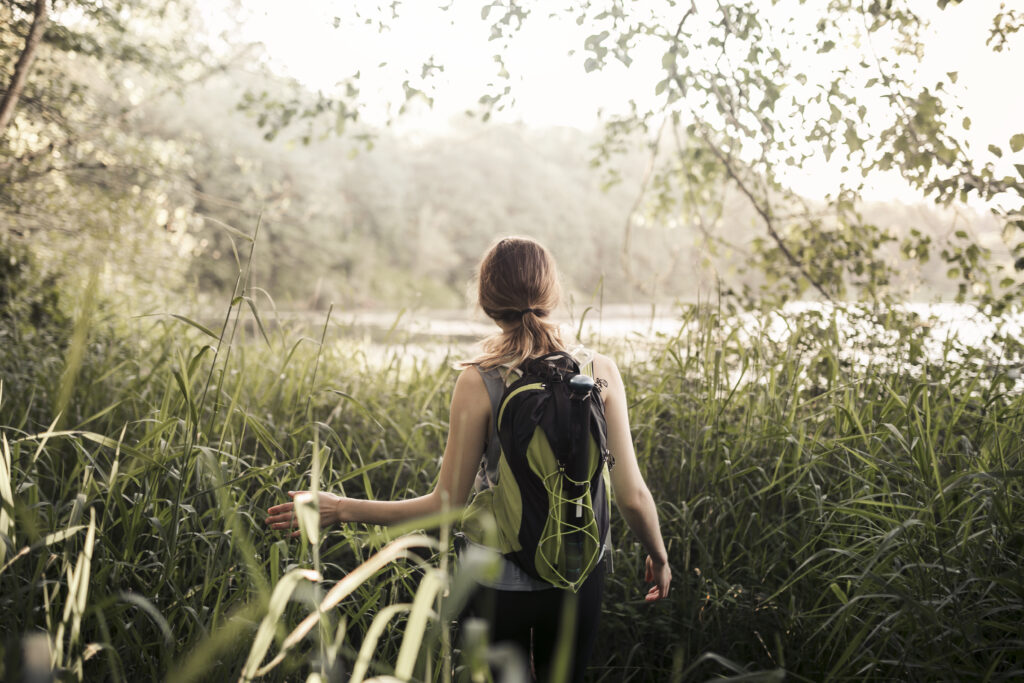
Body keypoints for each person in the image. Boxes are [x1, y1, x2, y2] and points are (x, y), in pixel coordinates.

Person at [266, 236, 671, 682]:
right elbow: (631, 495)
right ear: (552, 294)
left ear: (485, 302)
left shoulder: (480, 380)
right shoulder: (599, 372)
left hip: (498, 576)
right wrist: (659, 554)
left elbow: (445, 505)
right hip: (579, 571)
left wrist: (341, 508)